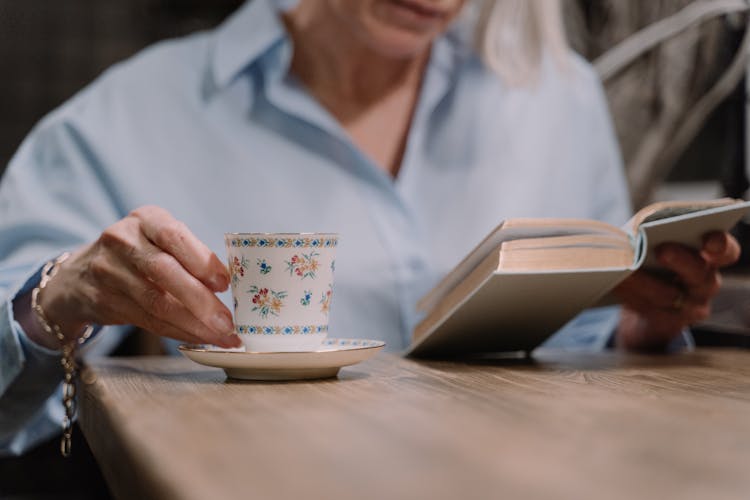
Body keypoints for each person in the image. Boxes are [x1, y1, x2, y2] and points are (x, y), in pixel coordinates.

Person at [0, 0, 739, 457]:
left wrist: (633, 330)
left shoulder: (557, 99)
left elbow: (578, 349)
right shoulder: (137, 111)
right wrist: (58, 297)